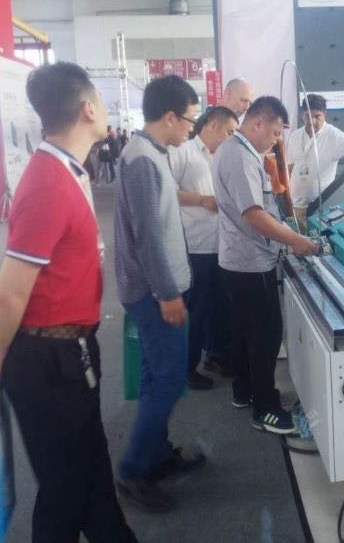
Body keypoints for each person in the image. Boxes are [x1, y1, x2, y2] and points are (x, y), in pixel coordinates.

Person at [0, 62, 137, 542]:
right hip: (47, 359)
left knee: (91, 471)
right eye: (101, 100)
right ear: (88, 109)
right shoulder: (47, 183)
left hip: (70, 352)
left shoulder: (66, 170)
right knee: (66, 488)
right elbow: (11, 292)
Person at [114, 75, 205, 512]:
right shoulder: (142, 161)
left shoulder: (152, 153)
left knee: (156, 377)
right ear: (170, 117)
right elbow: (147, 236)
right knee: (168, 379)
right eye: (190, 120)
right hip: (154, 293)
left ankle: (155, 455)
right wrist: (168, 293)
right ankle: (134, 469)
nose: (191, 128)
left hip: (156, 288)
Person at [212, 96, 318, 434]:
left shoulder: (237, 151)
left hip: (239, 260)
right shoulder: (240, 156)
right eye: (274, 133)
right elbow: (255, 215)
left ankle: (244, 390)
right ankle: (266, 409)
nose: (275, 141)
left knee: (245, 334)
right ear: (258, 122)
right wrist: (296, 240)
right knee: (265, 336)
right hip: (250, 263)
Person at [169, 106, 239, 390]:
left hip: (222, 243)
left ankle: (215, 356)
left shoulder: (224, 155)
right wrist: (200, 200)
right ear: (212, 125)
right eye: (229, 132)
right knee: (197, 309)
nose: (231, 137)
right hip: (196, 244)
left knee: (218, 306)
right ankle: (187, 368)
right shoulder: (182, 152)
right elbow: (166, 191)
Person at [287, 93, 344, 230]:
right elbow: (289, 167)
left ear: (325, 114)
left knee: (320, 241)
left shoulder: (333, 135)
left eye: (317, 116)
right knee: (297, 242)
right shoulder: (294, 136)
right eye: (307, 116)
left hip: (322, 207)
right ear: (302, 115)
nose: (312, 121)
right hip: (297, 206)